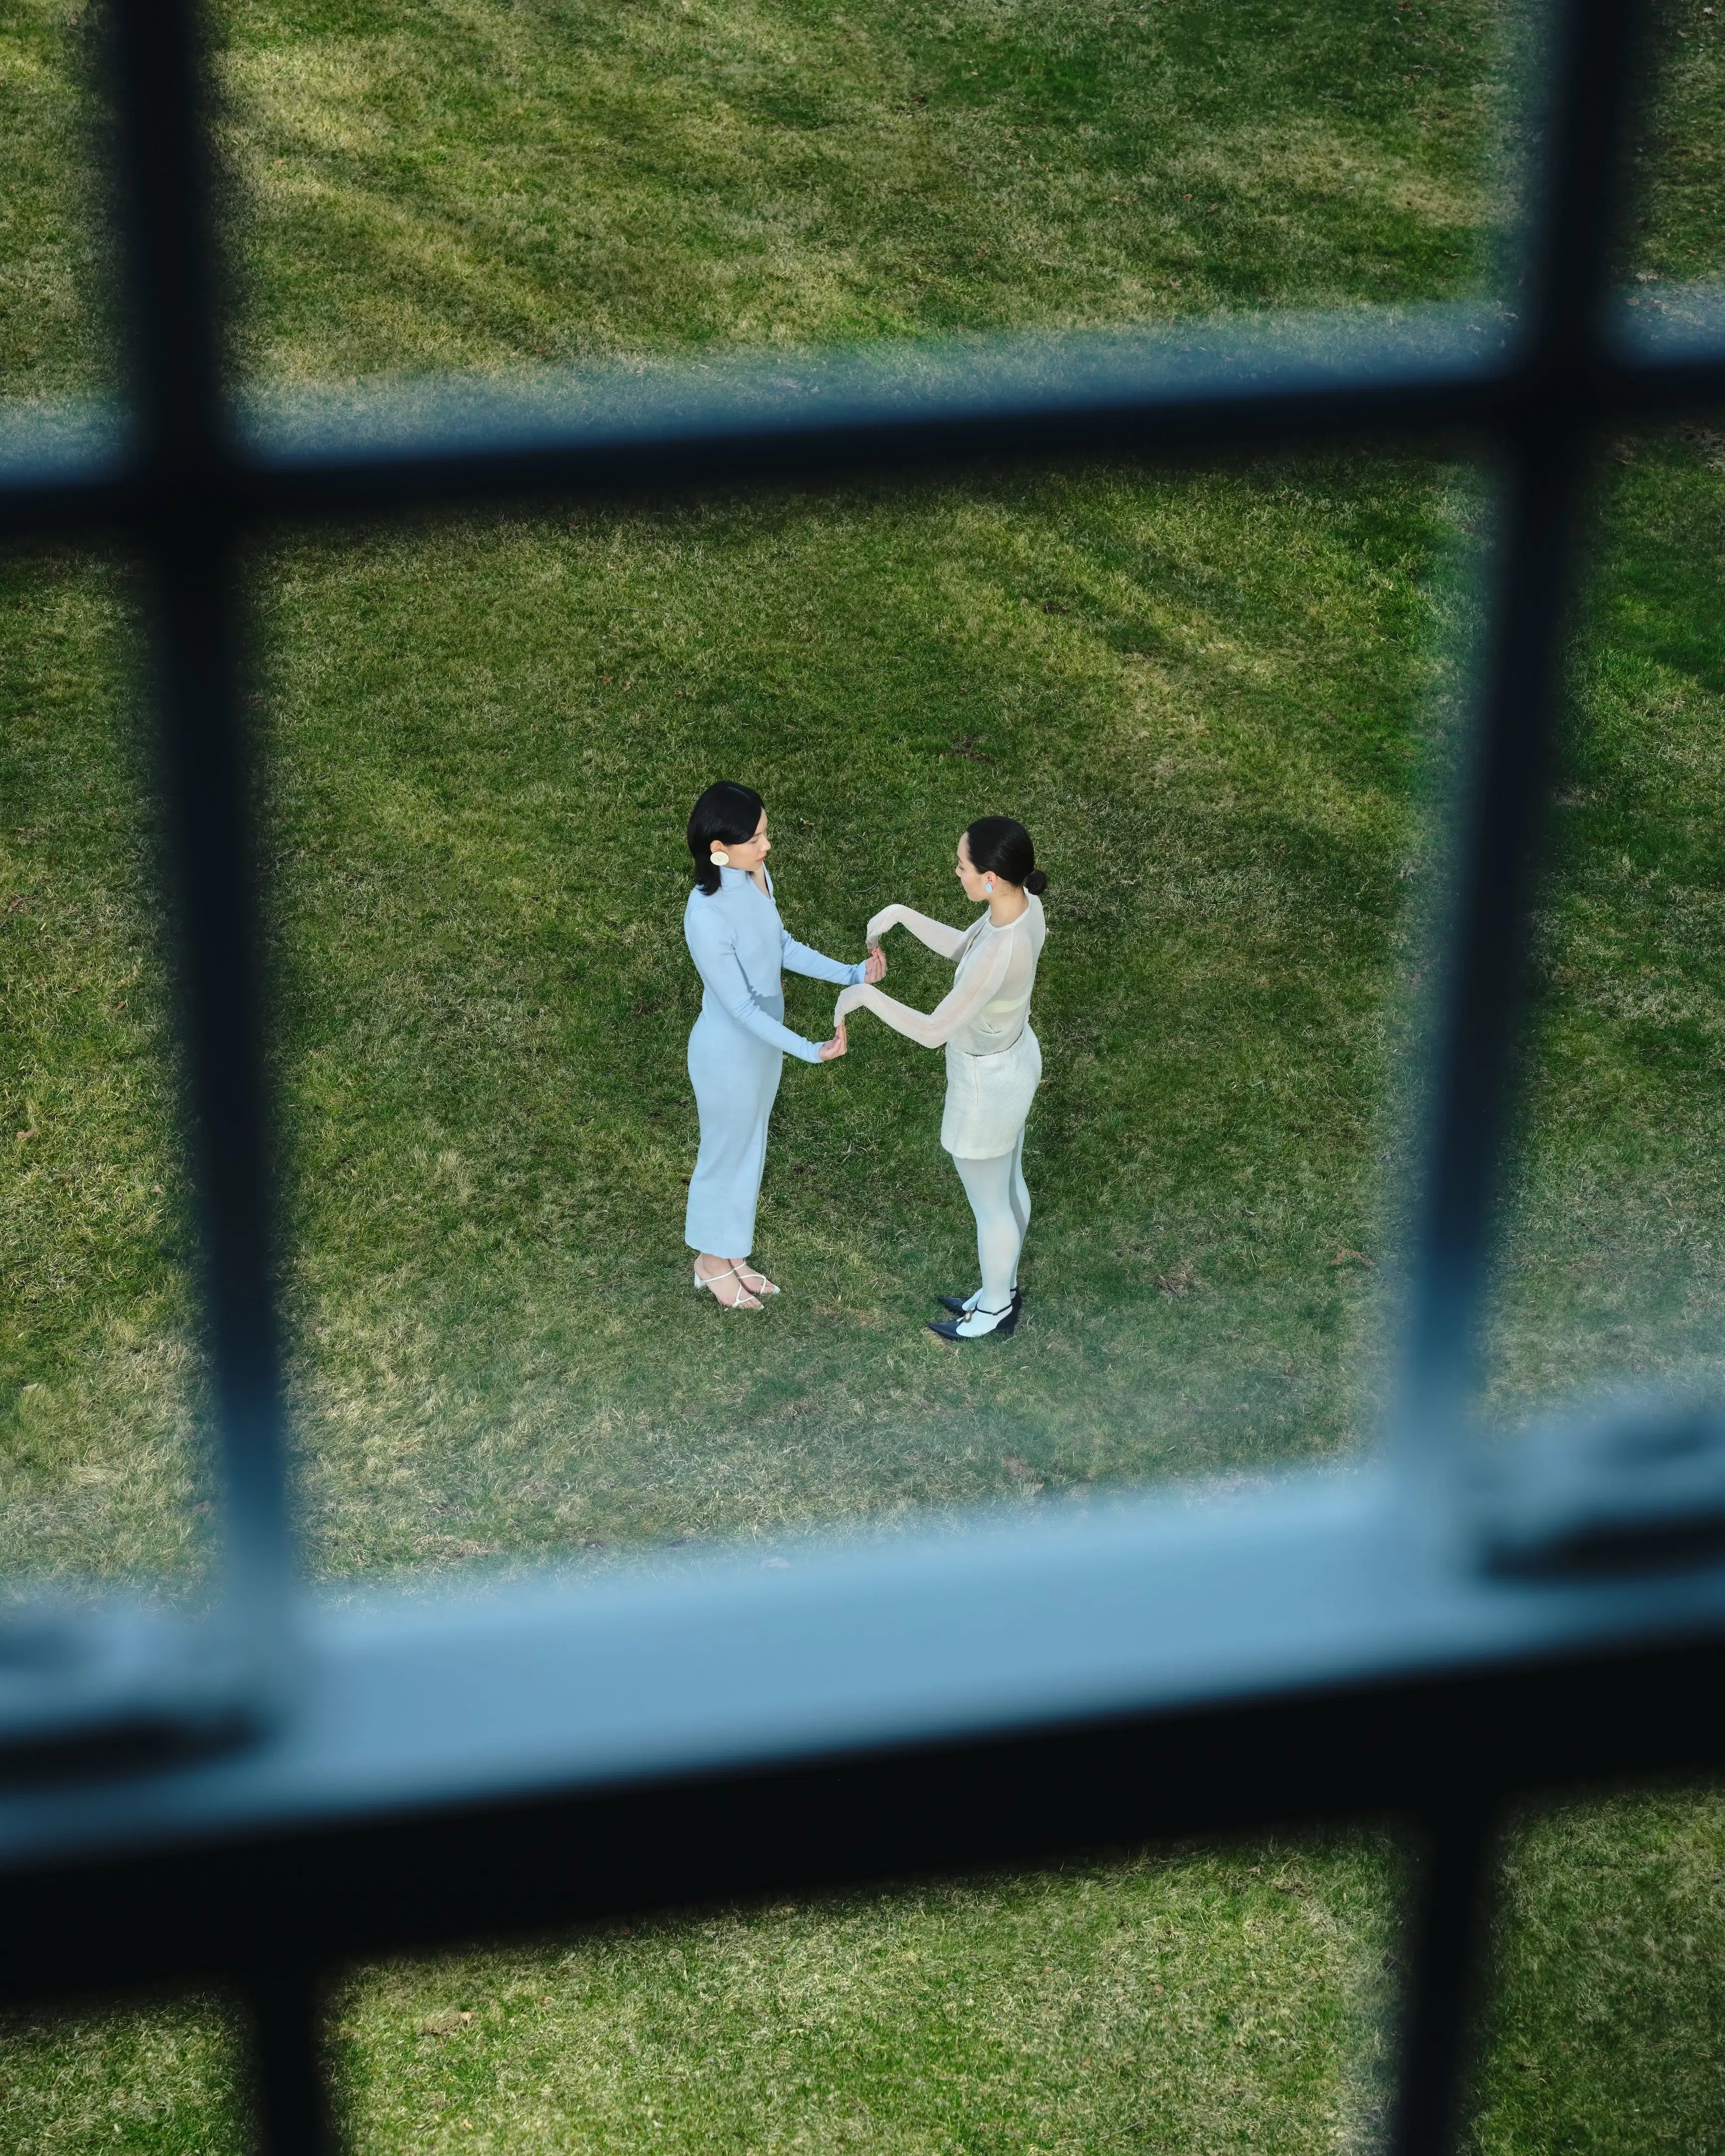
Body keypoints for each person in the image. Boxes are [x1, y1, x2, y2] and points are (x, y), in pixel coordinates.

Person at [835, 816, 1046, 1341]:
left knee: (991, 1204)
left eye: (962, 866)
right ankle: (1004, 1288)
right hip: (1014, 1063)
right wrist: (902, 916)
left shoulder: (1000, 951)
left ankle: (996, 1308)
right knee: (1008, 1185)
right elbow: (966, 947)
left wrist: (863, 996)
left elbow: (933, 1031)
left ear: (991, 877)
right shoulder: (1021, 909)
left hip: (987, 1088)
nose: (957, 873)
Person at [683, 782, 886, 1309]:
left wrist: (852, 972)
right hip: (728, 1054)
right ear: (718, 850)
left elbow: (781, 946)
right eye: (757, 839)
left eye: (766, 833)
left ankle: (731, 1255)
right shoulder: (705, 916)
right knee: (724, 1153)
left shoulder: (756, 876)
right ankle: (708, 1262)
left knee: (751, 1149)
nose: (767, 846)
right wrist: (809, 1048)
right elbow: (743, 1009)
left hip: (762, 1048)